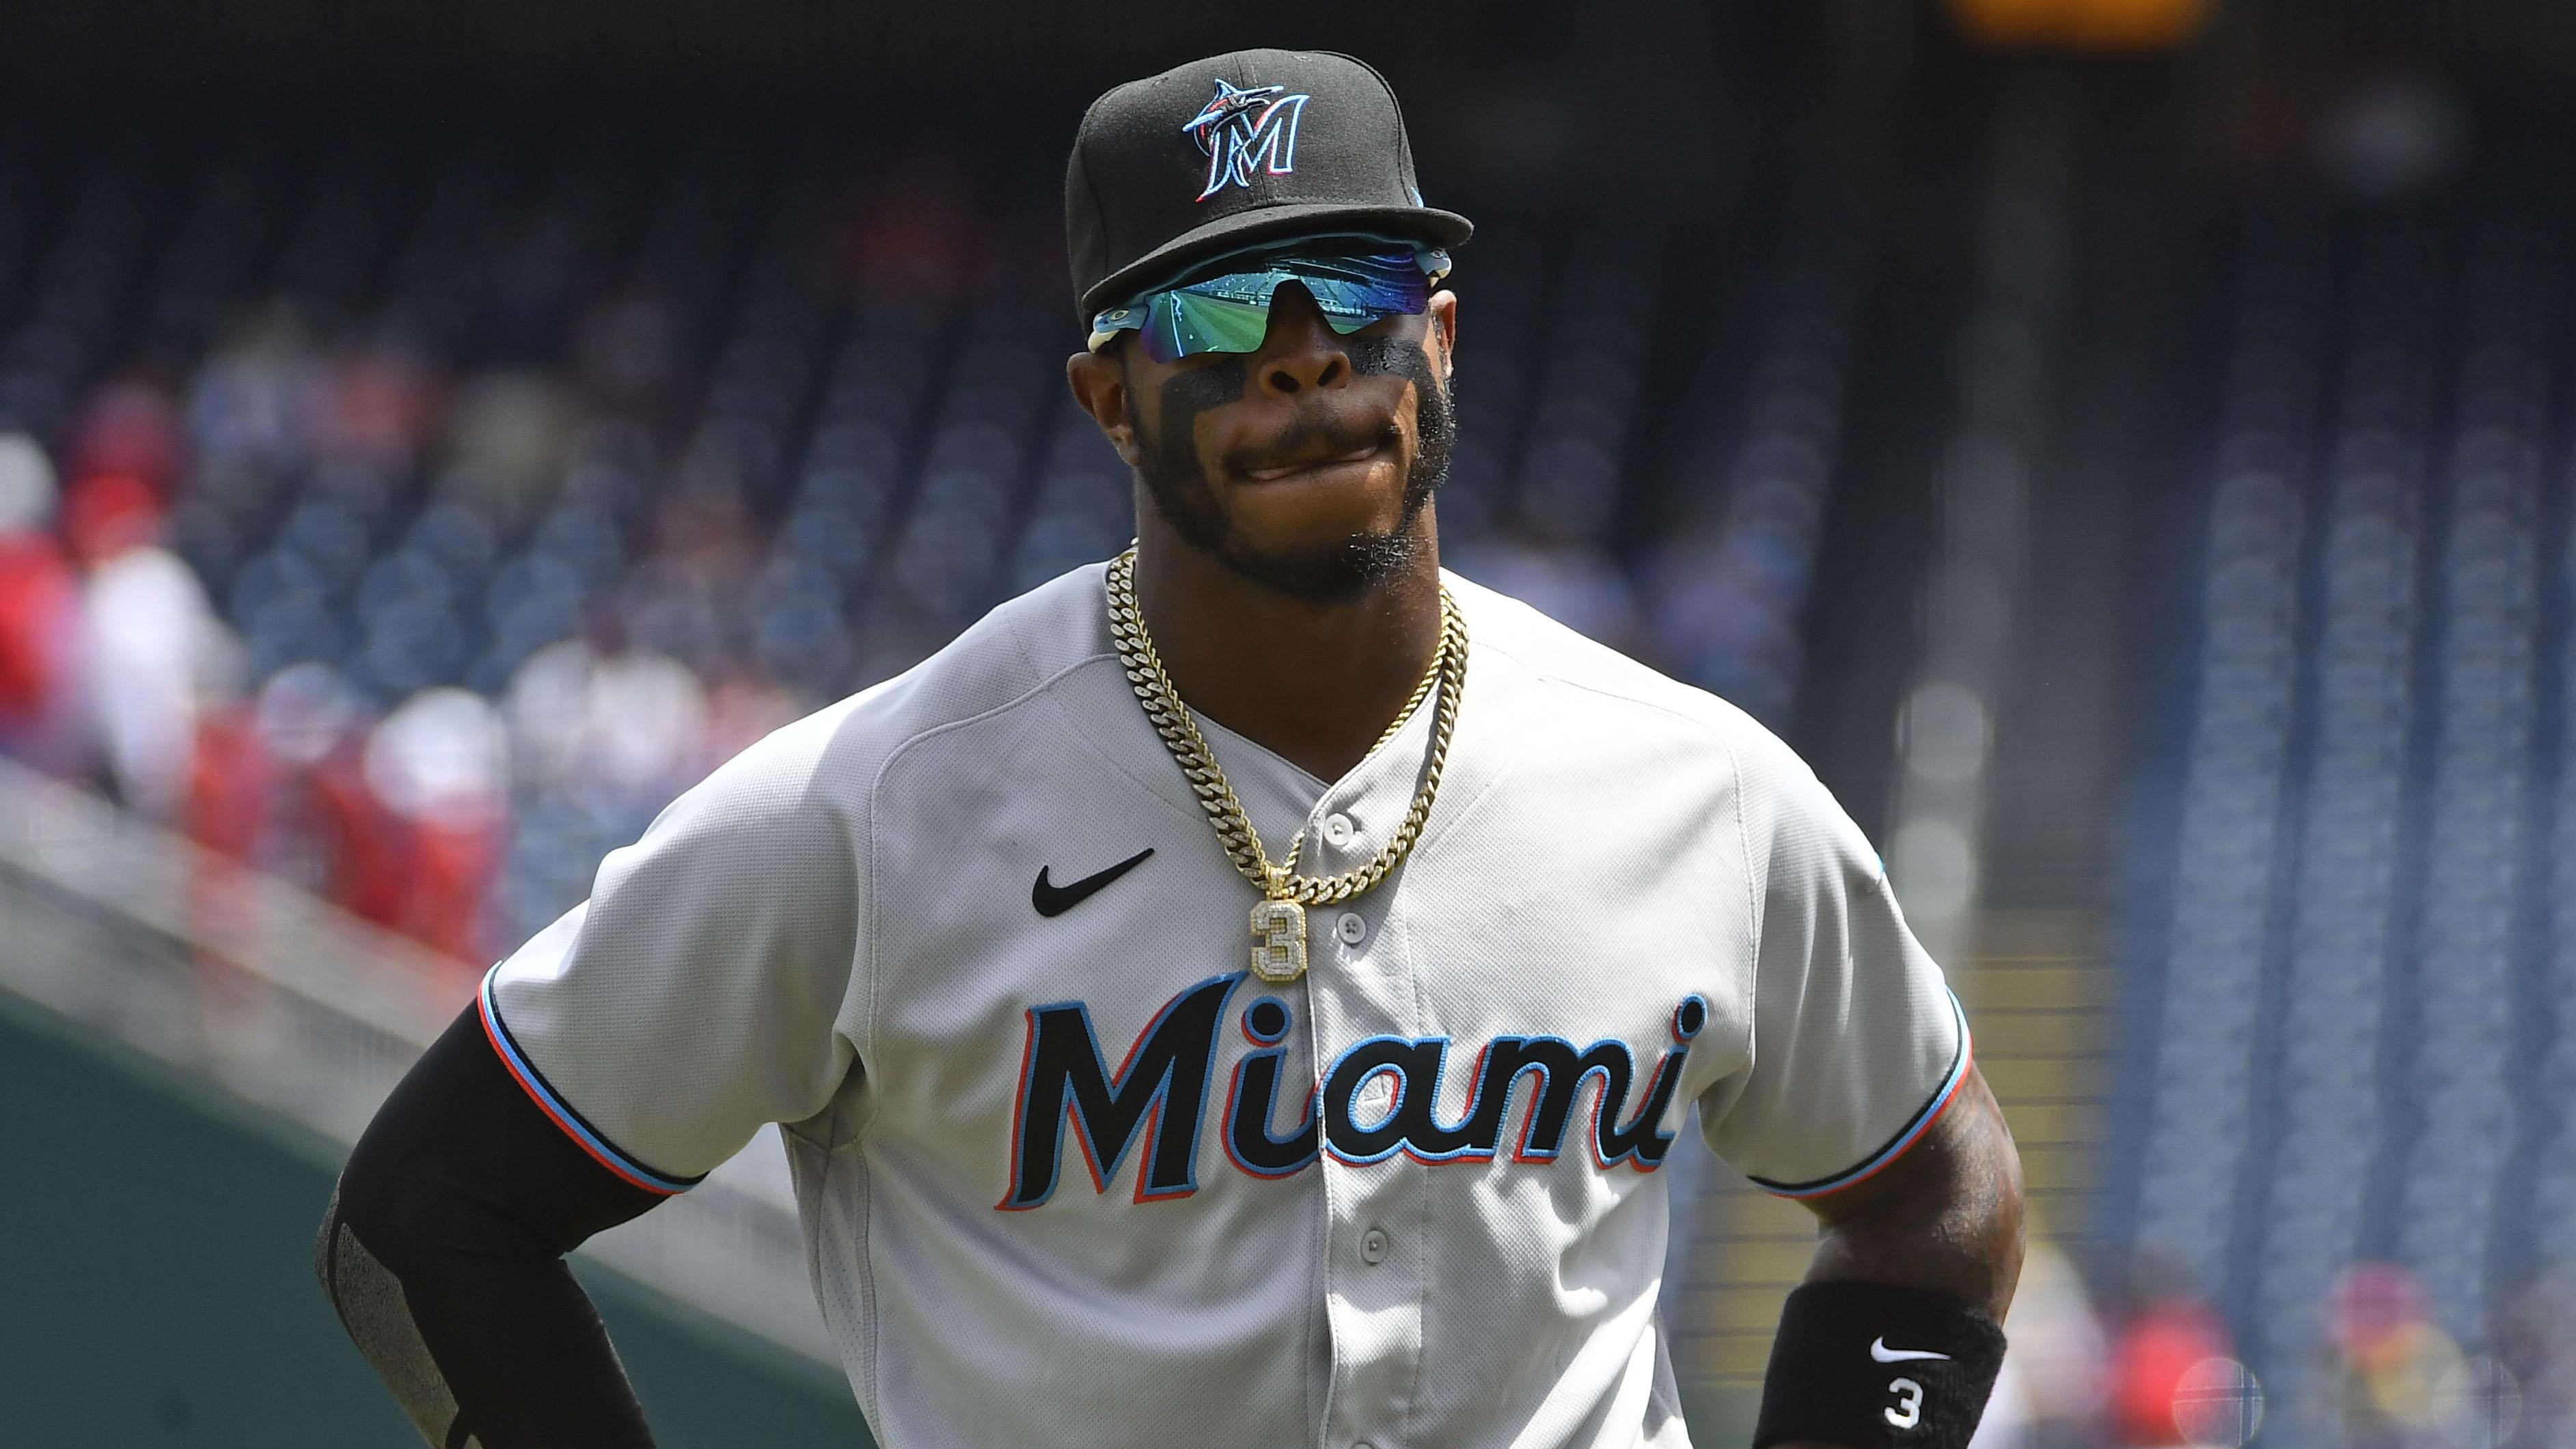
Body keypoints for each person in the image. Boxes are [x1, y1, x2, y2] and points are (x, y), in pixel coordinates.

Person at [320, 49, 2023, 1449]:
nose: (1297, 352)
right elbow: (427, 1216)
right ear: (1108, 397)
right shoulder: (870, 808)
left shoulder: (1696, 791)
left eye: (1351, 289)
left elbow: (1934, 1190)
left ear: (1436, 336)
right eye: (1210, 316)